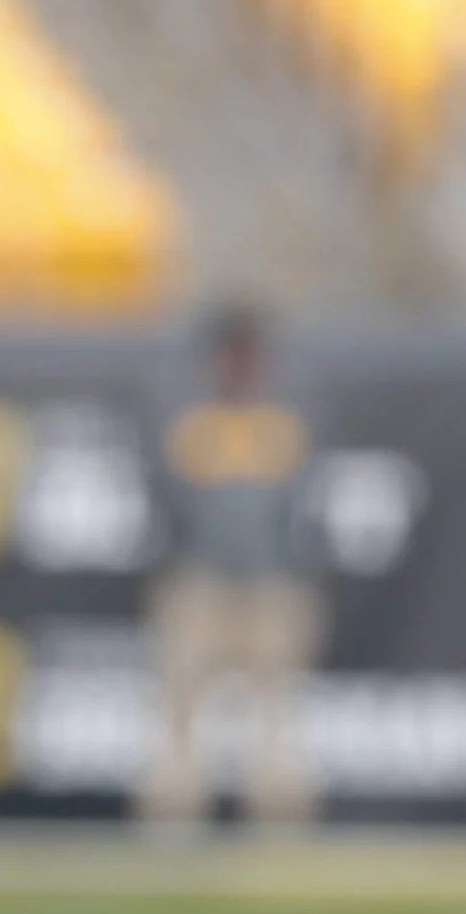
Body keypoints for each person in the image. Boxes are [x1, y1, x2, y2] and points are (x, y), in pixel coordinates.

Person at [139, 302, 322, 827]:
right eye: (230, 355)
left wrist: (296, 571)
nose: (238, 367)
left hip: (272, 587)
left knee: (279, 721)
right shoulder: (187, 417)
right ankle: (169, 827)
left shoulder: (286, 417)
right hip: (200, 583)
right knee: (177, 715)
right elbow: (166, 502)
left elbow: (302, 509)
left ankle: (281, 830)